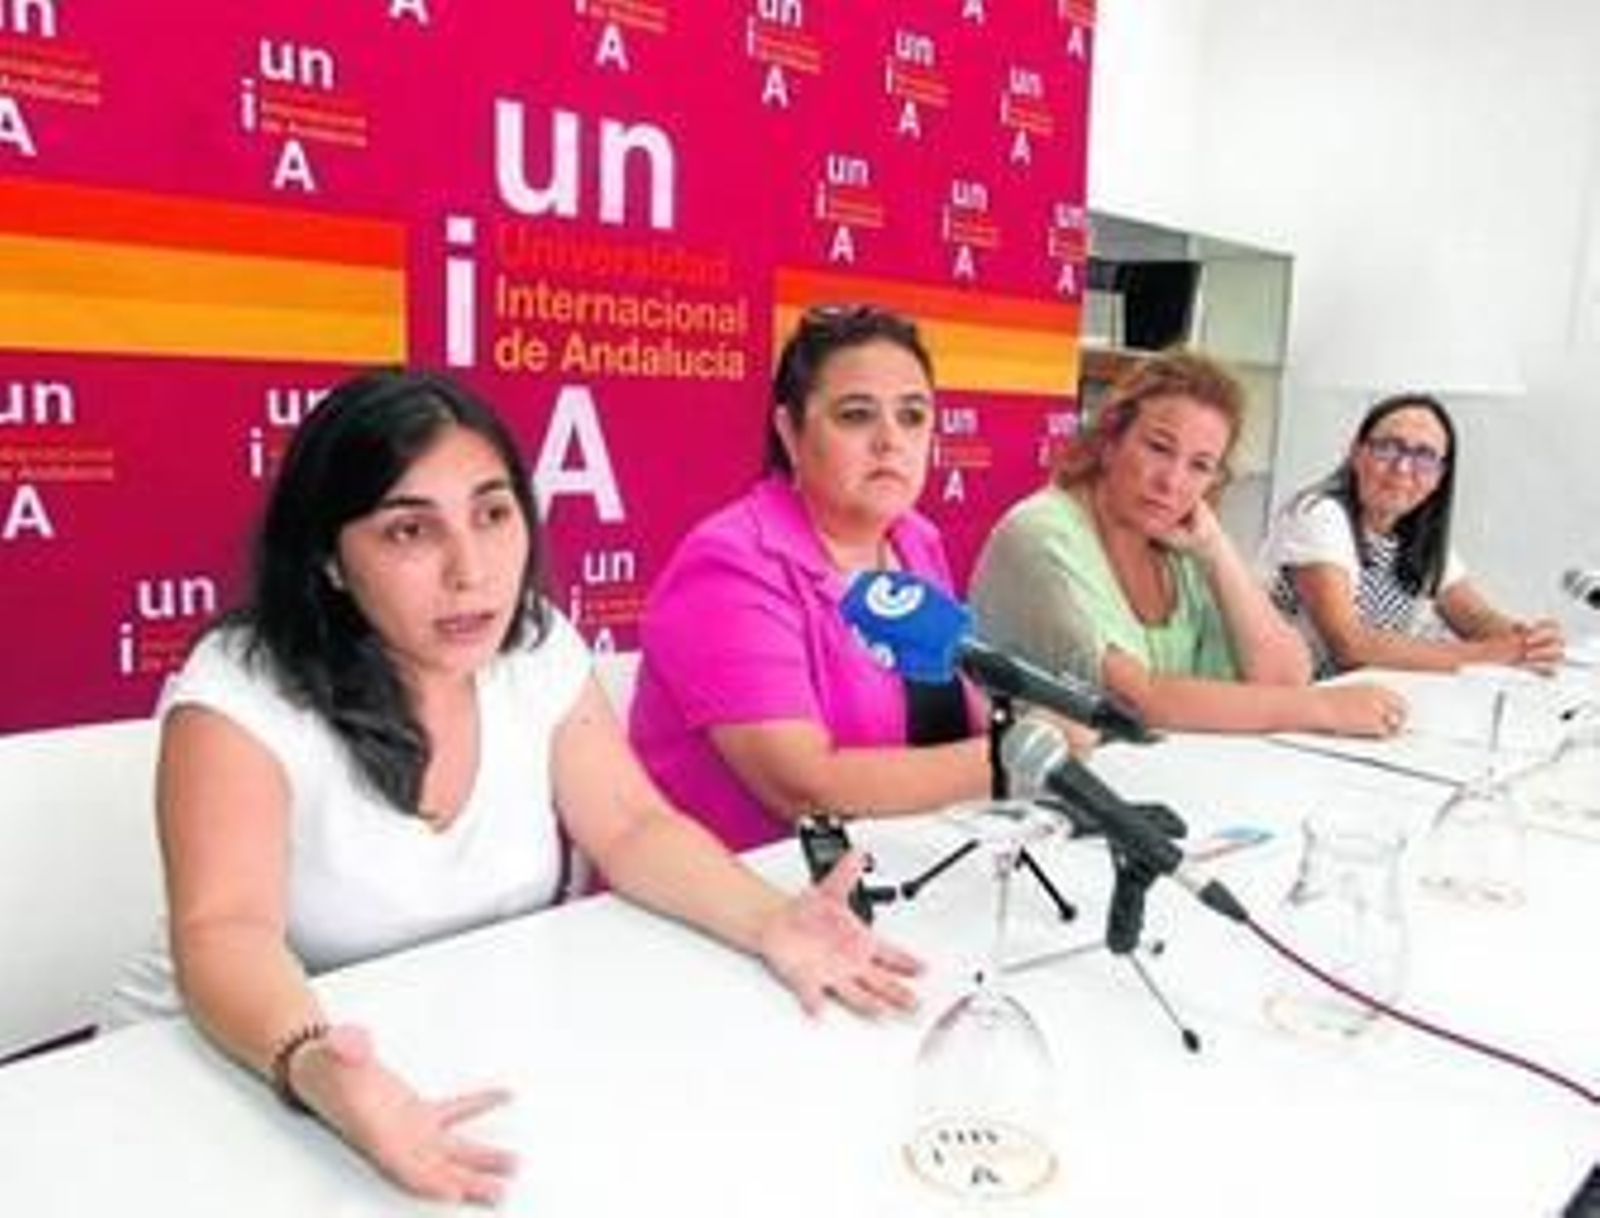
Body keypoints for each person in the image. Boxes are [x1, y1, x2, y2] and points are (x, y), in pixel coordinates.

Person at [106, 369, 921, 1205]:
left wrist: (769, 920)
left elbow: (632, 826)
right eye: (408, 532)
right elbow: (226, 930)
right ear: (330, 561)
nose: (471, 572)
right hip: (232, 1072)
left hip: (447, 1059)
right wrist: (313, 1061)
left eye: (493, 516)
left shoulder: (533, 646)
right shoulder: (241, 691)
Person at [630, 305, 1086, 852]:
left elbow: (946, 722)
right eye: (856, 415)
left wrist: (1034, 723)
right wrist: (1021, 756)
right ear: (790, 432)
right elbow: (804, 787)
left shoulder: (914, 541)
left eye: (913, 416)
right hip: (741, 894)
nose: (891, 440)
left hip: (905, 865)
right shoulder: (728, 566)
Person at [969, 350, 1407, 736]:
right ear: (1109, 441)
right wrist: (1322, 707)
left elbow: (1285, 677)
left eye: (1200, 466)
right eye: (1159, 448)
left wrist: (1216, 550)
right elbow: (1136, 700)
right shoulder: (1042, 534)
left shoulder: (1181, 543)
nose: (1172, 482)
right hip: (1038, 800)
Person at [1259, 392, 1564, 676]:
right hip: (1297, 700)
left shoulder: (1417, 536)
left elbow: (1474, 615)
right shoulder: (1319, 514)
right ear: (1357, 453)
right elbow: (1350, 645)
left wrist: (1528, 641)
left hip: (1365, 701)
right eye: (1388, 447)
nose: (1403, 468)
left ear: (1438, 477)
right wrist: (1489, 654)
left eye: (1424, 456)